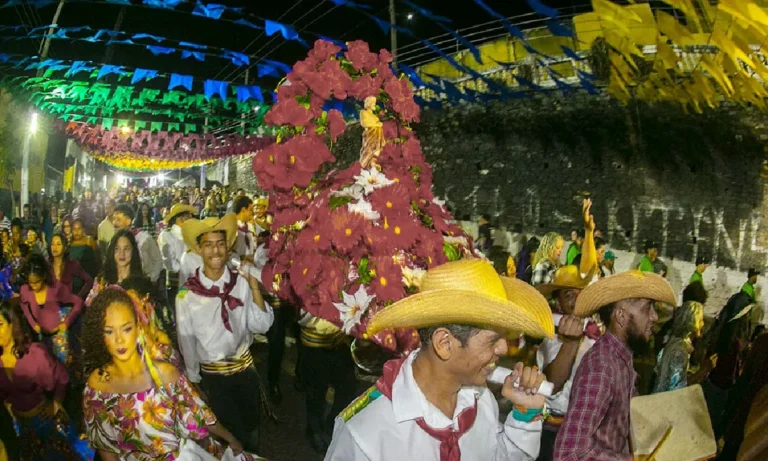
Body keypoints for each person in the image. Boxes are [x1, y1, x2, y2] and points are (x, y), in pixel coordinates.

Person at [325, 259, 555, 461]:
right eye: (493, 340)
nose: (503, 348)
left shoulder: (480, 399)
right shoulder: (365, 432)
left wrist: (525, 415)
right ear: (444, 343)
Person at [81, 287, 258, 460]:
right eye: (109, 331)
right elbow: (105, 448)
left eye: (126, 328)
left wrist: (231, 440)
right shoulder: (96, 388)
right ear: (99, 334)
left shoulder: (165, 374)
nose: (119, 339)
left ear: (138, 327)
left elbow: (199, 414)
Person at [176, 213, 274, 453]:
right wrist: (194, 382)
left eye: (220, 243)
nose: (215, 250)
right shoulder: (186, 295)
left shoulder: (240, 283)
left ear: (228, 247)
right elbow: (186, 342)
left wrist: (253, 285)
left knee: (252, 432)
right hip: (214, 379)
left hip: (245, 372)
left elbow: (262, 326)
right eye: (208, 245)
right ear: (199, 249)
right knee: (229, 441)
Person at [554, 270, 677, 460]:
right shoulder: (602, 367)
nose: (654, 316)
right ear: (621, 316)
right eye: (647, 308)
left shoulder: (621, 359)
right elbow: (569, 453)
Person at [0, 302, 90, 460]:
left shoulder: (34, 354)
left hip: (48, 422)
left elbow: (62, 376)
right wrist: (11, 409)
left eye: (0, 324)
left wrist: (56, 402)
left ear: (12, 324)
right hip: (24, 429)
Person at [534, 265, 601, 461]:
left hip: (585, 430)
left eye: (580, 293)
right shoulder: (553, 336)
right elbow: (552, 384)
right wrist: (571, 342)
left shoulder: (595, 332)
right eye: (568, 295)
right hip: (555, 430)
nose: (576, 299)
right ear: (558, 302)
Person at [18, 254, 83, 364]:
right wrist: (33, 323)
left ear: (43, 276)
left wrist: (67, 322)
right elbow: (23, 305)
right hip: (41, 337)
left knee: (62, 366)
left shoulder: (55, 288)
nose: (34, 286)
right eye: (31, 283)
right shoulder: (25, 290)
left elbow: (78, 302)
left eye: (37, 282)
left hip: (58, 335)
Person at [653, 299, 712, 393]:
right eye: (700, 320)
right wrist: (703, 371)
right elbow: (678, 389)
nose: (703, 324)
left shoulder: (675, 339)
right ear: (693, 322)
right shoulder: (680, 351)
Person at [157, 204, 196, 317]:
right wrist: (186, 268)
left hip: (191, 281)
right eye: (188, 217)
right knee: (179, 315)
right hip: (175, 282)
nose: (191, 220)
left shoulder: (189, 235)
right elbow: (169, 263)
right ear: (180, 219)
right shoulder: (166, 235)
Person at [111, 203, 163, 283]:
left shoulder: (144, 238)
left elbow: (158, 260)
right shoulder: (113, 241)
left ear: (128, 221)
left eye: (118, 219)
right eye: (113, 219)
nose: (114, 223)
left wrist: (150, 279)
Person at [49, 233, 93, 300]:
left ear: (65, 247)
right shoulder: (46, 265)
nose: (55, 247)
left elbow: (89, 281)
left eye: (58, 244)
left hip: (66, 304)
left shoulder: (71, 264)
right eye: (52, 244)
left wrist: (78, 297)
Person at [233, 195, 256, 262]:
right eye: (250, 210)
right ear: (243, 209)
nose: (252, 213)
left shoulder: (250, 226)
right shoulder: (232, 227)